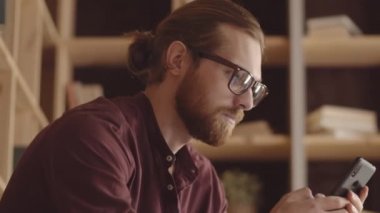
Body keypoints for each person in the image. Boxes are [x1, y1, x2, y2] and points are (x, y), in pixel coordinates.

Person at [0, 0, 369, 212]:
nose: (246, 102)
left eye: (255, 88)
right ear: (178, 59)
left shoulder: (204, 183)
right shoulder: (93, 138)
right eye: (239, 78)